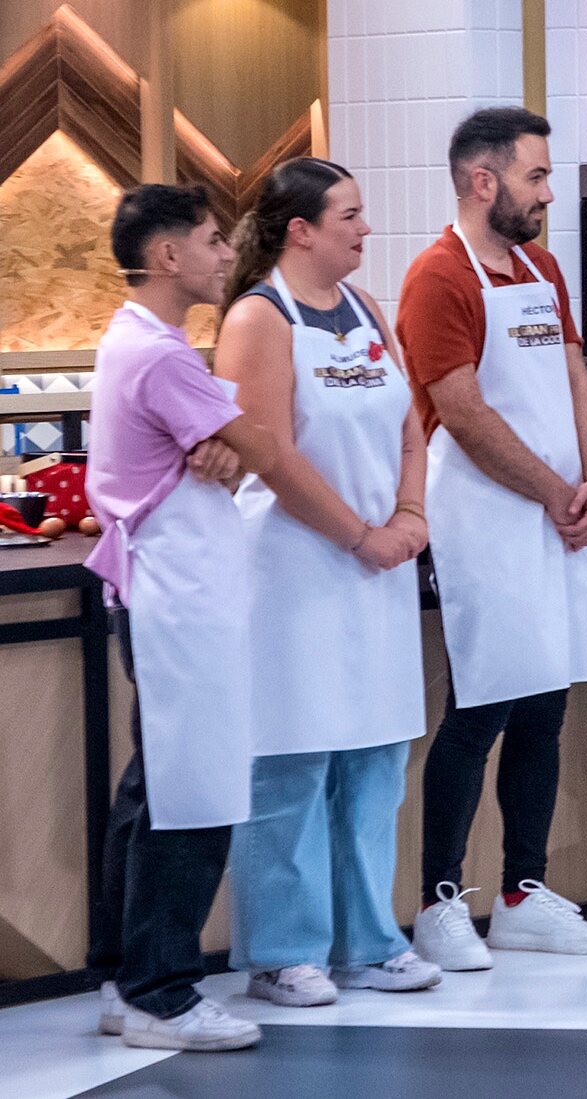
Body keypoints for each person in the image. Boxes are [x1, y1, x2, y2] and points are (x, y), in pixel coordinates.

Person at [85, 184, 370, 1050]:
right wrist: (234, 428)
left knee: (152, 791)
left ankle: (123, 972)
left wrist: (226, 427)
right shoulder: (165, 358)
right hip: (180, 600)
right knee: (196, 794)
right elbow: (265, 443)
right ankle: (161, 992)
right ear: (167, 255)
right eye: (210, 240)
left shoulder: (142, 344)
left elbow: (235, 434)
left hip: (175, 594)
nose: (222, 254)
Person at [212, 157, 442, 1007]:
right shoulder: (258, 319)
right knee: (293, 761)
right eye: (349, 214)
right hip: (293, 572)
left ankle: (368, 940)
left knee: (375, 759)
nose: (365, 228)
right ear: (299, 229)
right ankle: (282, 948)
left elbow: (411, 428)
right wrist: (360, 534)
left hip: (373, 570)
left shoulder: (365, 308)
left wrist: (410, 515)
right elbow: (270, 455)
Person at [397, 106, 587, 967]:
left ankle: (524, 889)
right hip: (484, 521)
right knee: (479, 706)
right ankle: (440, 900)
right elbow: (464, 412)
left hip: (558, 520)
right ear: (483, 181)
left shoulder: (541, 266)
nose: (549, 193)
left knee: (546, 707)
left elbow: (575, 378)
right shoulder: (436, 278)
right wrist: (560, 490)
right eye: (536, 176)